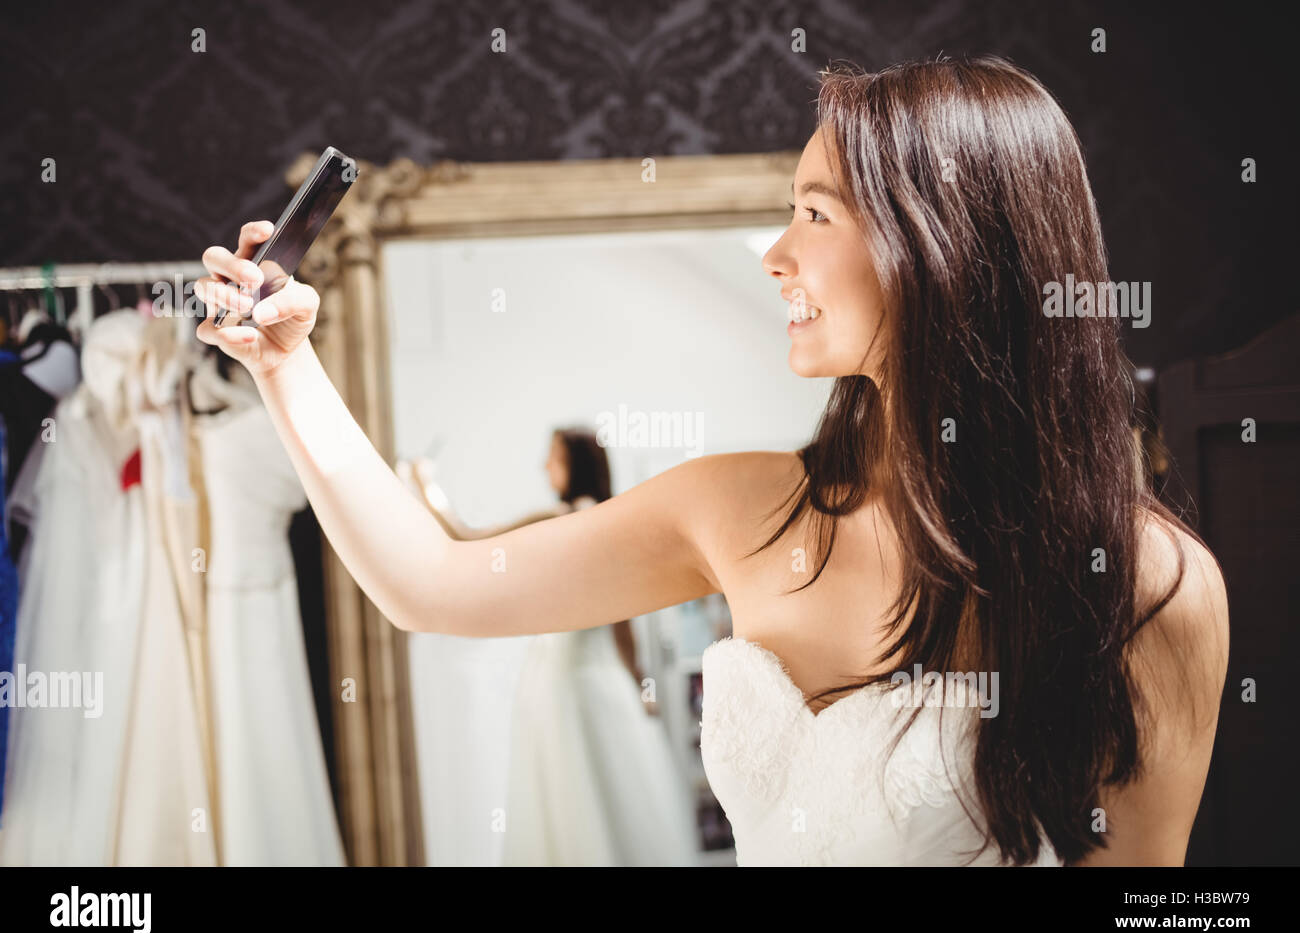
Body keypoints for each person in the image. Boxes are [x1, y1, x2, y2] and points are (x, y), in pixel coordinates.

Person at [196, 54, 1229, 866]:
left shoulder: (1149, 587)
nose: (777, 252)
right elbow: (430, 584)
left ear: (944, 244)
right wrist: (284, 366)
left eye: (815, 213)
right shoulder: (738, 507)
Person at [397, 429, 694, 864]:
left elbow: (467, 539)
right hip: (596, 678)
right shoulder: (607, 517)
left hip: (567, 681)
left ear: (575, 465)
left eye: (552, 459)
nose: (544, 467)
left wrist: (425, 482)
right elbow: (623, 626)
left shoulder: (568, 516)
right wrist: (640, 684)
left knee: (568, 796)